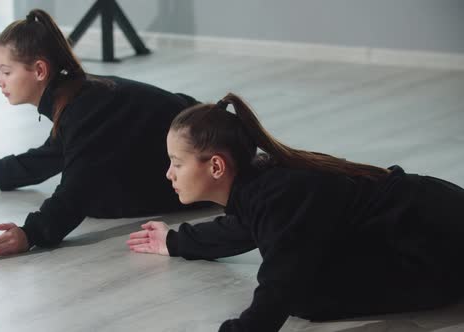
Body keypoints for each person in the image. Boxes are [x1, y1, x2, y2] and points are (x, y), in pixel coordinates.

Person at [126, 93, 464, 332]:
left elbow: (278, 285)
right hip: (430, 221)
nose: (169, 174)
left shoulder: (277, 196)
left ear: (216, 166)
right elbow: (243, 228)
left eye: (177, 163)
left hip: (440, 238)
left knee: (306, 295)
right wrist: (175, 241)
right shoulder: (260, 185)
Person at [0, 9, 201, 260]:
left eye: (6, 72)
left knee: (101, 201)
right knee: (100, 195)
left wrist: (31, 233)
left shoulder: (83, 108)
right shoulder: (74, 95)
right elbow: (53, 154)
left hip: (205, 153)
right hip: (190, 135)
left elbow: (76, 191)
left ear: (39, 70)